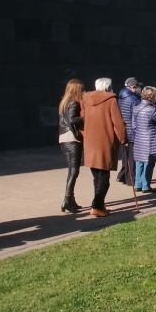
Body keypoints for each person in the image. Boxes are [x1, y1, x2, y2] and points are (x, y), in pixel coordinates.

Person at [82, 78, 128, 217]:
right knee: (104, 179)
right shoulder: (111, 100)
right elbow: (118, 123)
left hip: (90, 143)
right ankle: (96, 206)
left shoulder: (85, 99)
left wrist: (86, 134)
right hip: (105, 143)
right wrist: (123, 139)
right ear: (108, 88)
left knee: (97, 177)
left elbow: (81, 120)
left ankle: (99, 205)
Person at [57, 79, 85, 213]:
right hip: (71, 138)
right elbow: (73, 120)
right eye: (81, 89)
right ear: (76, 90)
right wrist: (85, 118)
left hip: (64, 137)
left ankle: (70, 199)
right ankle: (67, 200)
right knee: (74, 170)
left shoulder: (64, 102)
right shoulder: (73, 102)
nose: (83, 91)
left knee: (72, 170)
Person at [130, 86, 156, 193]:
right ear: (152, 97)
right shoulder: (151, 110)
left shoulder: (136, 107)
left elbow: (134, 125)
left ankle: (137, 184)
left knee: (139, 161)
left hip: (139, 138)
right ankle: (146, 186)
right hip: (150, 139)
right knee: (149, 162)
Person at [116, 77, 141, 185]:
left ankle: (122, 176)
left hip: (124, 130)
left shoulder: (121, 96)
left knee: (125, 155)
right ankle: (131, 179)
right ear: (133, 87)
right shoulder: (134, 99)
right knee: (132, 157)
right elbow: (137, 117)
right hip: (132, 132)